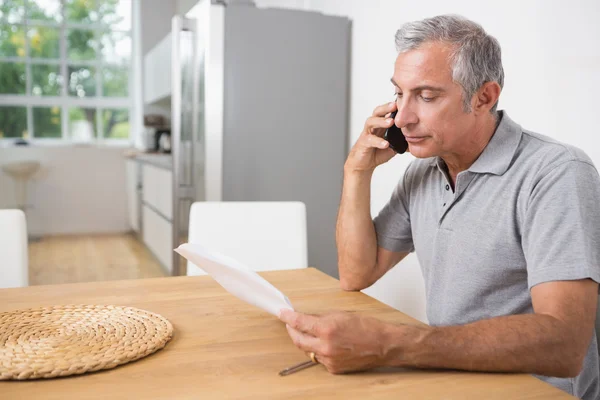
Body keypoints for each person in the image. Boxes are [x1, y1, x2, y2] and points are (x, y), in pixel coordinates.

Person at [278, 14, 600, 399]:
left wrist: (393, 343)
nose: (402, 116)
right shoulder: (426, 171)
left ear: (484, 97)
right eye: (399, 93)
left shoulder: (556, 173)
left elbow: (565, 345)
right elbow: (356, 273)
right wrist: (355, 171)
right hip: (452, 378)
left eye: (426, 96)